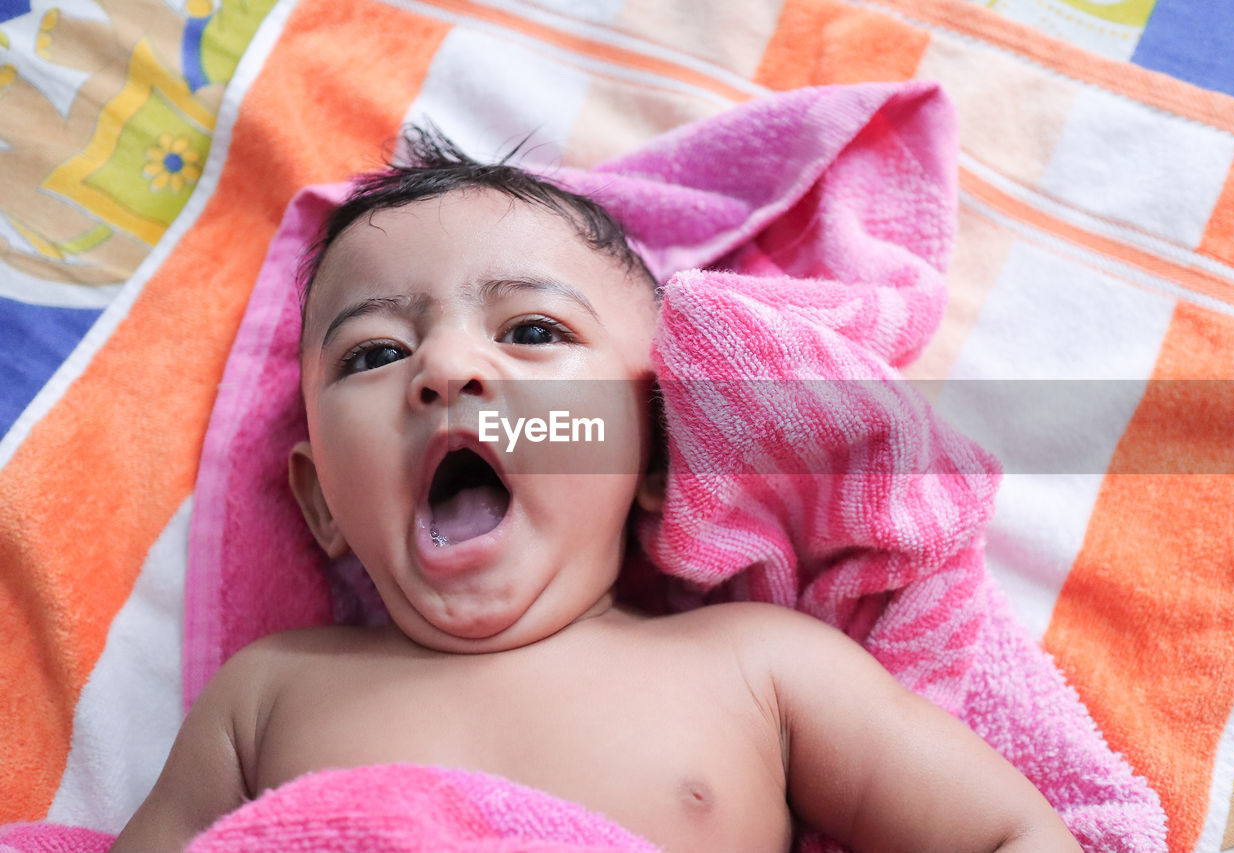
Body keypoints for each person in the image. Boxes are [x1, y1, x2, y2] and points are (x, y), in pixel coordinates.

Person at [111, 129, 1083, 853]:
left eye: (531, 330)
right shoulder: (268, 692)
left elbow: (1009, 834)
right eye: (376, 351)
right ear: (320, 499)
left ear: (655, 457)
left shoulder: (758, 668)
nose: (447, 368)